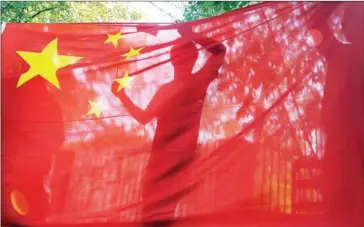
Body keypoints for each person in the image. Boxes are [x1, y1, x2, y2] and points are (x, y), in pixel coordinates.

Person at [111, 27, 226, 227]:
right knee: (155, 213)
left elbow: (220, 50)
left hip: (172, 159)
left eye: (182, 55)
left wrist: (190, 36)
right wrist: (122, 96)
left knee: (157, 213)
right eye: (179, 55)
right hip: (167, 159)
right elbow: (143, 118)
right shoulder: (188, 84)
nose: (180, 59)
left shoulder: (195, 82)